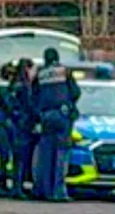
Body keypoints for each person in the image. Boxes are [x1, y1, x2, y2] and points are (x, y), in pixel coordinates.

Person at [31, 47, 81, 202]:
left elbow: (33, 95)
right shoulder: (64, 71)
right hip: (62, 115)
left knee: (46, 155)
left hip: (46, 116)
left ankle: (44, 190)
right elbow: (76, 93)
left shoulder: (40, 74)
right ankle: (59, 191)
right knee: (61, 154)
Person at [7, 59, 39, 199]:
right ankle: (17, 188)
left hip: (16, 125)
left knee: (17, 158)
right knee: (21, 158)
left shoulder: (14, 84)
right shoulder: (24, 87)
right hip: (22, 126)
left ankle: (17, 186)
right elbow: (29, 106)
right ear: (27, 69)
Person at [0, 65, 18, 197]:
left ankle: (3, 183)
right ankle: (1, 184)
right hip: (3, 125)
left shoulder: (2, 88)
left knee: (5, 155)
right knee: (5, 154)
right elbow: (10, 106)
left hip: (2, 124)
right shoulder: (3, 88)